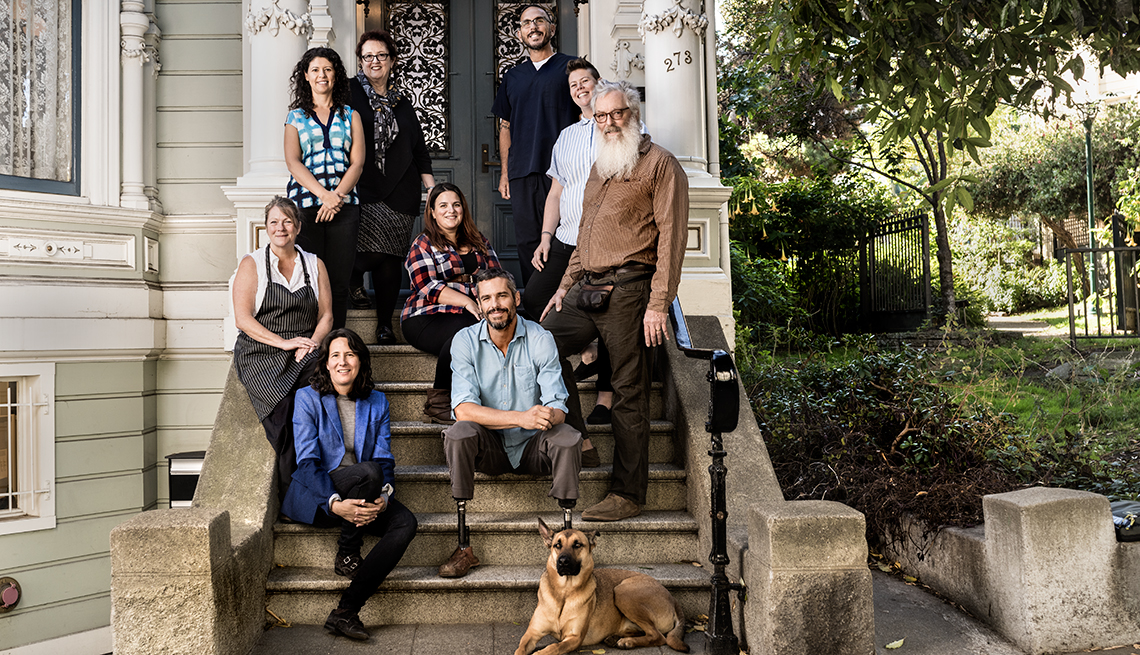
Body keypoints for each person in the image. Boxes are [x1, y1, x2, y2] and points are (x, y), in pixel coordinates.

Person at [540, 80, 689, 522]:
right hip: (586, 286)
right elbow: (585, 233)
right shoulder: (601, 165)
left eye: (616, 114)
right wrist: (564, 285)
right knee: (540, 348)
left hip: (629, 290)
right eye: (600, 116)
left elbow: (672, 241)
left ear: (633, 113)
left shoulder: (661, 165)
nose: (607, 122)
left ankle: (627, 494)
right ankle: (580, 438)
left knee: (628, 391)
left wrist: (659, 304)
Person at [437, 268, 581, 578]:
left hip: (533, 446)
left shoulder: (540, 338)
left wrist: (550, 414)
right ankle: (464, 546)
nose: (495, 304)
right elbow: (462, 409)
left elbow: (558, 405)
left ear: (515, 298)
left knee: (568, 437)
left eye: (502, 295)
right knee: (459, 433)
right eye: (486, 298)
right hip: (489, 448)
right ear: (479, 302)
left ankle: (567, 544)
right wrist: (522, 416)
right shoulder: (464, 341)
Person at [283, 328, 418, 641]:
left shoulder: (377, 402)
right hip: (320, 494)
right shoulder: (307, 398)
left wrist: (385, 495)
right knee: (368, 472)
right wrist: (334, 503)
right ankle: (348, 551)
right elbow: (307, 463)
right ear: (326, 364)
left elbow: (384, 459)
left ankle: (345, 611)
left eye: (350, 354)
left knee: (405, 523)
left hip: (366, 490)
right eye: (335, 355)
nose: (343, 361)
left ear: (360, 361)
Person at [232, 196, 333, 499]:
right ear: (266, 228)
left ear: (298, 226)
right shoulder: (252, 264)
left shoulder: (314, 264)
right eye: (274, 222)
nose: (281, 227)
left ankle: (327, 473)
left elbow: (326, 314)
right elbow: (243, 319)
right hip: (261, 352)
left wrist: (313, 342)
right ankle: (294, 497)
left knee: (321, 390)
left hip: (304, 346)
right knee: (283, 415)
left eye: (288, 221)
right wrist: (283, 343)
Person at [347, 30, 435, 345]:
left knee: (390, 259)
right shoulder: (349, 92)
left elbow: (418, 147)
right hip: (362, 186)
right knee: (363, 253)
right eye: (368, 56)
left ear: (392, 60)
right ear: (360, 60)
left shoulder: (401, 100)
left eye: (381, 55)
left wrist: (432, 189)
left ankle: (385, 325)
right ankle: (353, 282)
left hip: (401, 189)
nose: (375, 61)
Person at [491, 4, 580, 284]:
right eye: (527, 23)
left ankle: (567, 308)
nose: (533, 26)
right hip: (522, 172)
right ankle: (536, 308)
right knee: (529, 244)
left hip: (565, 172)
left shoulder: (571, 68)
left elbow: (587, 113)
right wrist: (505, 172)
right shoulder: (513, 76)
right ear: (520, 33)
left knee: (565, 238)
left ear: (551, 28)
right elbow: (505, 126)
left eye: (539, 20)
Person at [400, 183, 501, 423]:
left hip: (473, 312)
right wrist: (467, 301)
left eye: (456, 205)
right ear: (432, 212)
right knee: (465, 335)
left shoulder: (479, 241)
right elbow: (425, 285)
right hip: (425, 315)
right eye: (443, 205)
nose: (451, 210)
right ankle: (438, 402)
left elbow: (497, 277)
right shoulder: (423, 244)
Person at [284, 46, 366, 330]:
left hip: (345, 207)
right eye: (316, 69)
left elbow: (357, 163)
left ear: (336, 76)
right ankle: (313, 348)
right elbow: (293, 162)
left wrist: (337, 198)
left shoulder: (350, 115)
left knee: (339, 283)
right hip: (306, 209)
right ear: (306, 76)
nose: (322, 75)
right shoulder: (295, 117)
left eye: (328, 69)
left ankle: (336, 345)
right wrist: (324, 196)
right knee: (310, 281)